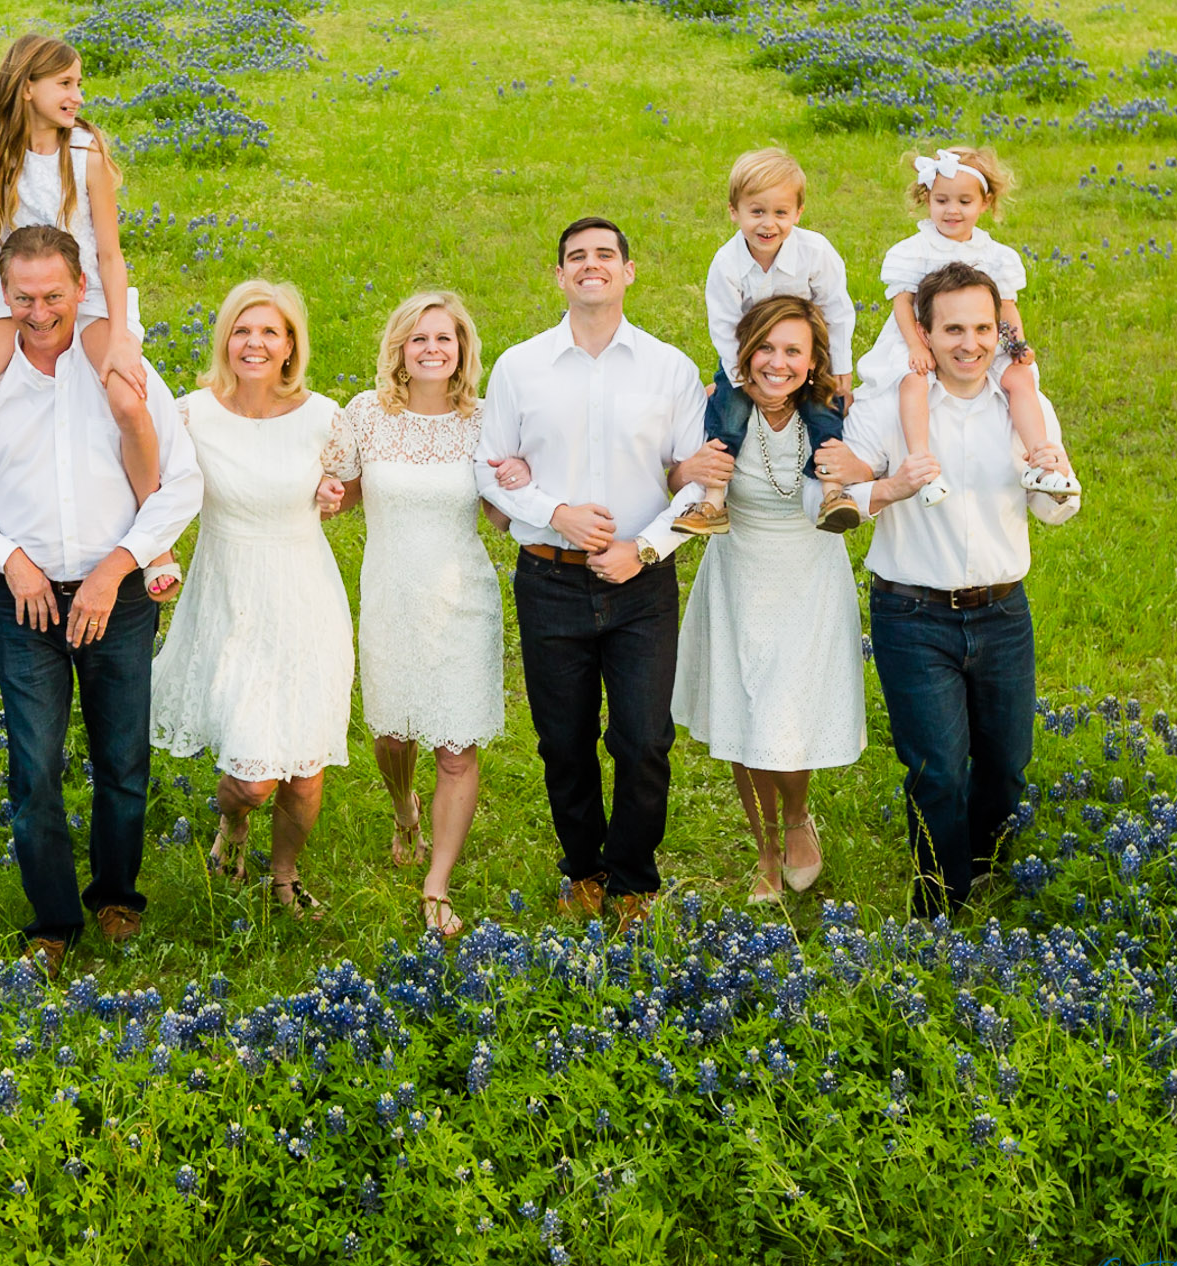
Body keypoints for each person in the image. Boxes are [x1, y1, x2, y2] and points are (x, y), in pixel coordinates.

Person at [0, 226, 199, 978]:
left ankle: (117, 895)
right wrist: (9, 559)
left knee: (122, 759)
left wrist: (115, 569)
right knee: (34, 768)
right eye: (23, 296)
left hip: (119, 594)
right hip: (24, 601)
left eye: (54, 295)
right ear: (4, 295)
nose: (40, 312)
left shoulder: (120, 370)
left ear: (81, 289)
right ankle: (53, 918)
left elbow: (183, 482)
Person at [817, 261, 1081, 916]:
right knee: (936, 766)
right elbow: (837, 498)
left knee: (1006, 764)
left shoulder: (1026, 407)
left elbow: (1057, 510)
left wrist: (1049, 474)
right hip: (912, 613)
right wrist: (894, 486)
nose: (971, 343)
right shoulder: (888, 412)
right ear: (925, 335)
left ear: (1001, 330)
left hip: (1001, 612)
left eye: (983, 328)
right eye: (954, 328)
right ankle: (940, 901)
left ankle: (988, 872)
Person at [473, 216, 705, 926]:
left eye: (606, 255)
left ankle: (634, 877)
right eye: (577, 257)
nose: (591, 265)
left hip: (642, 582)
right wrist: (556, 510)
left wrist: (645, 547)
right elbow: (489, 471)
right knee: (563, 740)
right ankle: (583, 868)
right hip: (549, 577)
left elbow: (699, 484)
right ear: (560, 276)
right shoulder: (520, 366)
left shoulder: (671, 369)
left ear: (629, 272)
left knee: (643, 739)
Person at [149, 279, 352, 914]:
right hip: (230, 596)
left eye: (270, 331)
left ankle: (284, 875)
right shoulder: (190, 413)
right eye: (242, 329)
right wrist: (158, 553)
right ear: (225, 339)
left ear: (291, 344)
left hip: (306, 598)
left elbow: (348, 484)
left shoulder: (324, 416)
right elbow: (153, 486)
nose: (255, 343)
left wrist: (333, 494)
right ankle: (233, 821)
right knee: (252, 777)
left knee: (304, 768)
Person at [671, 297, 873, 903]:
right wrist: (688, 471)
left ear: (813, 362)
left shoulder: (832, 415)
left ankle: (796, 815)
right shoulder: (716, 411)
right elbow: (667, 472)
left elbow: (864, 483)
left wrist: (862, 469)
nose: (776, 363)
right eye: (765, 348)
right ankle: (764, 849)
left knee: (788, 713)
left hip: (809, 575)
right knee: (745, 715)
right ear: (744, 352)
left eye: (793, 351)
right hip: (737, 570)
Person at [323, 291, 504, 936]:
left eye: (445, 338)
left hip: (462, 602)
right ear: (400, 349)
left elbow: (503, 516)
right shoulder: (366, 415)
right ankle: (405, 805)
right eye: (419, 338)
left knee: (456, 749)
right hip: (391, 599)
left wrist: (522, 484)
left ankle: (438, 885)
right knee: (392, 735)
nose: (432, 348)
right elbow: (336, 496)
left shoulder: (484, 421)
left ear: (462, 350)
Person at [0, 34, 155, 523]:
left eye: (79, 84)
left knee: (129, 403)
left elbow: (112, 255)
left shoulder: (85, 150)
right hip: (18, 298)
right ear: (27, 87)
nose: (77, 96)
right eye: (65, 83)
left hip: (88, 296)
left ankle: (151, 534)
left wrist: (119, 335)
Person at [857, 145, 1063, 507]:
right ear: (927, 199)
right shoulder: (915, 249)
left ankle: (1040, 461)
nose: (952, 210)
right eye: (942, 200)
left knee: (1020, 379)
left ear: (985, 203)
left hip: (981, 337)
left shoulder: (996, 256)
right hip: (921, 334)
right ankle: (923, 468)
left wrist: (1017, 345)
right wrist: (916, 347)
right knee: (913, 381)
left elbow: (1007, 309)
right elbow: (903, 304)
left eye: (964, 202)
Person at [672, 147, 860, 536]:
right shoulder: (726, 264)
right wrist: (746, 383)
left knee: (825, 411)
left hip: (805, 356)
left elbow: (837, 309)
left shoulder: (815, 252)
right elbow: (724, 328)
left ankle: (832, 491)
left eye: (780, 212)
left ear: (798, 213)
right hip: (747, 360)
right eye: (756, 211)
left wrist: (840, 368)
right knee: (726, 416)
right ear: (734, 212)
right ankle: (713, 499)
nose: (768, 223)